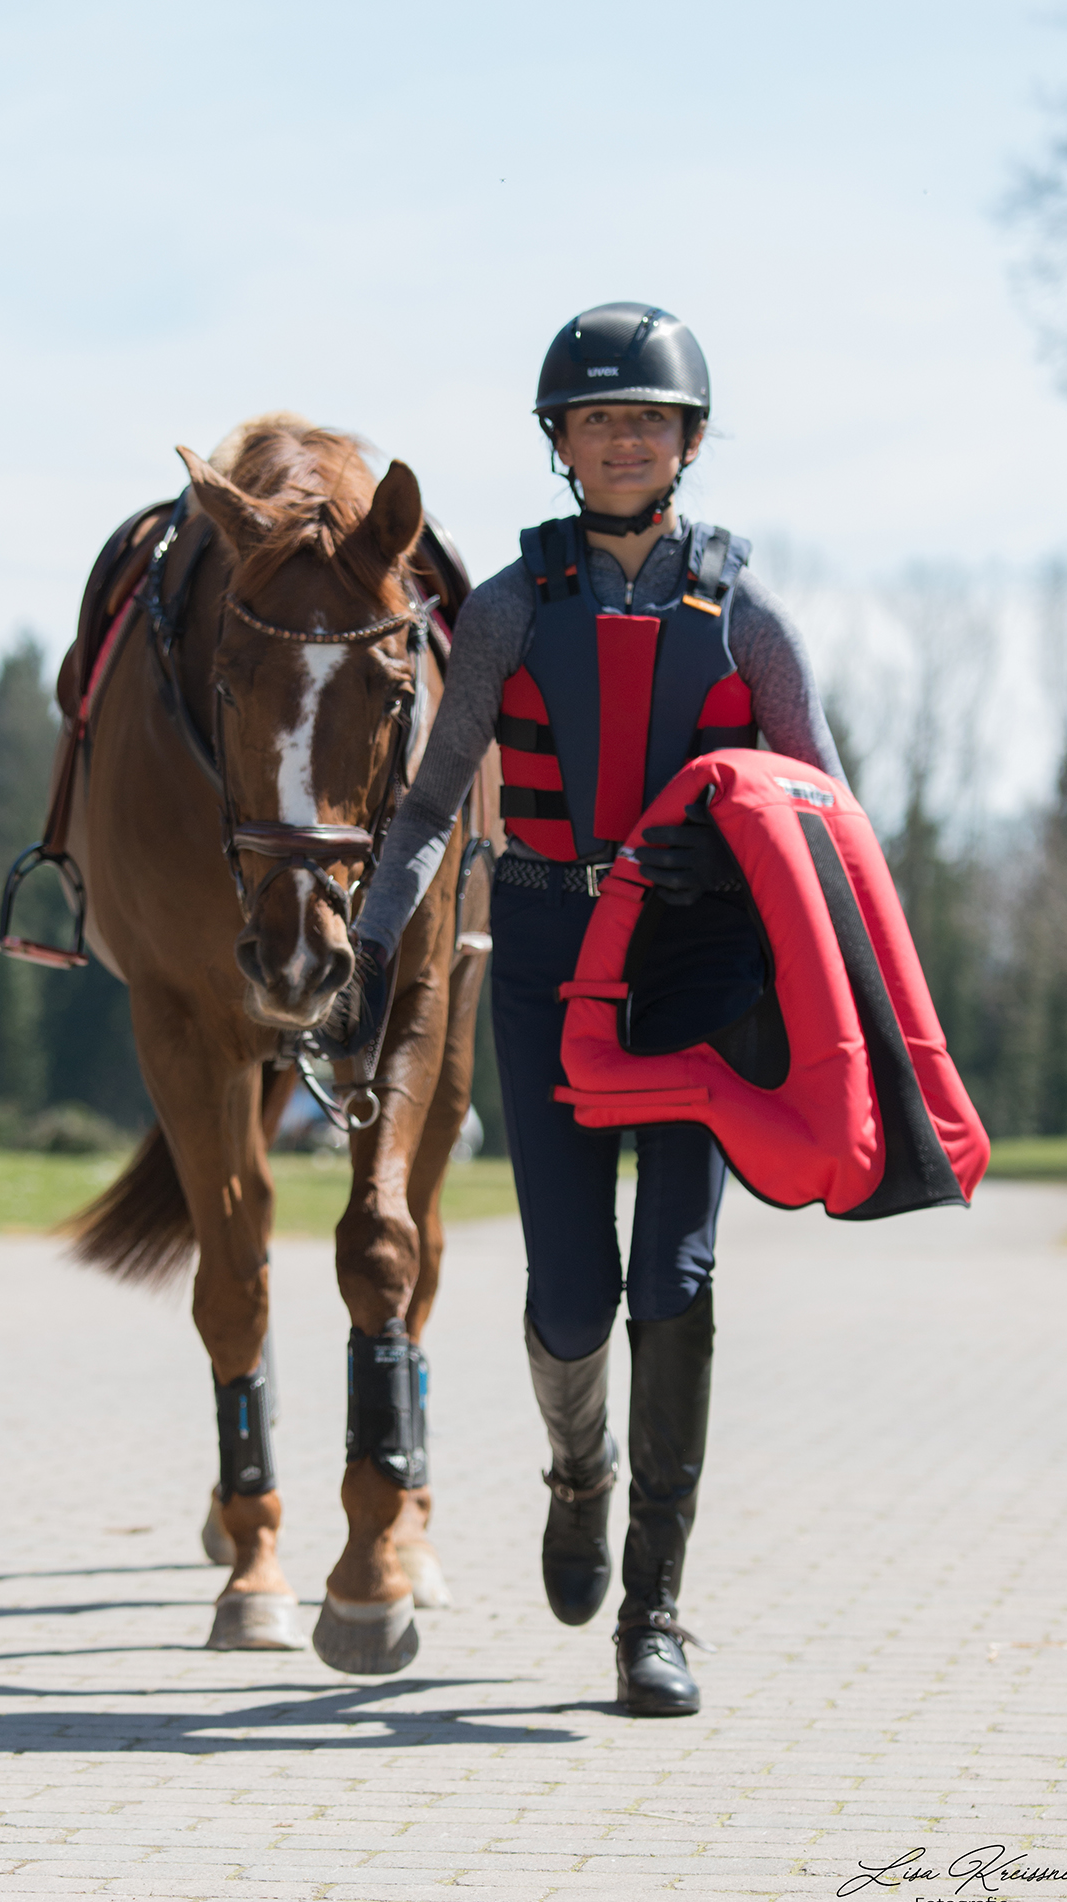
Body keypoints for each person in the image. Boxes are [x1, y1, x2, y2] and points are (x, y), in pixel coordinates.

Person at [351, 302, 844, 1715]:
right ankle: (579, 1471)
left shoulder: (750, 619)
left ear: (689, 441)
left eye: (649, 419)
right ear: (560, 444)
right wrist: (372, 946)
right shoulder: (509, 609)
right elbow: (431, 807)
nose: (624, 438)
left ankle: (655, 1611)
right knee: (572, 1296)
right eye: (598, 418)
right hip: (548, 957)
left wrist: (732, 867)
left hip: (697, 970)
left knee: (674, 1280)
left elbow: (820, 811)